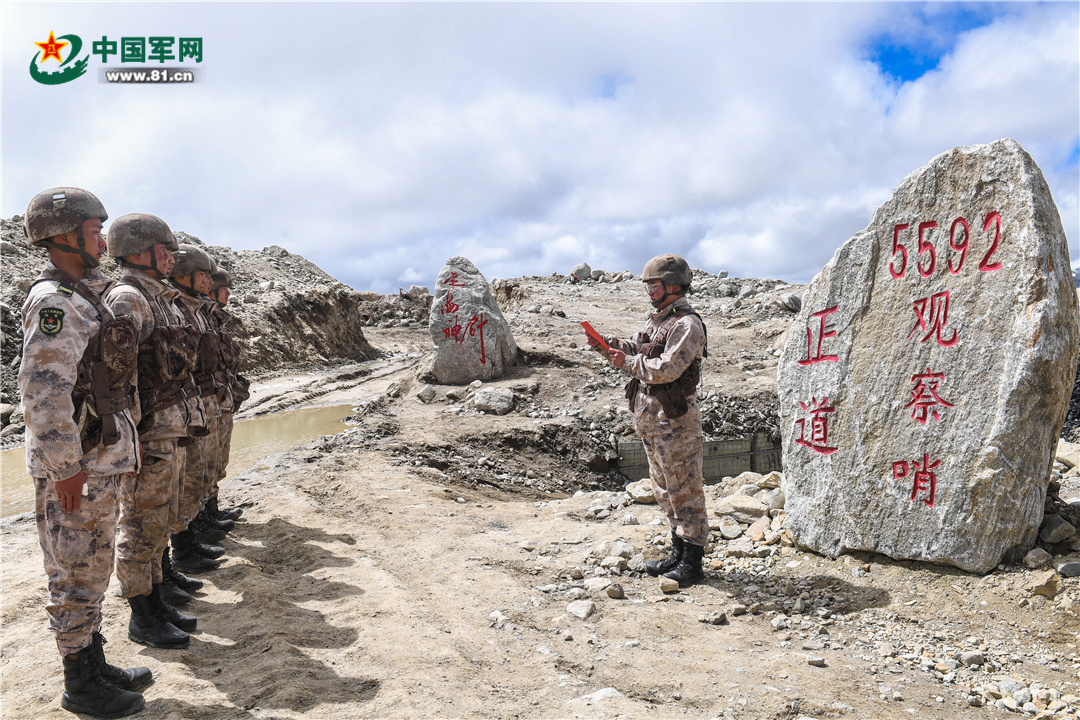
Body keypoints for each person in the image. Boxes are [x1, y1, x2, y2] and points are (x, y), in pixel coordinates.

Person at [19, 187, 150, 717]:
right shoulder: (55, 302)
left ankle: (92, 661)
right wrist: (66, 469)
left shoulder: (82, 295)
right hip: (75, 468)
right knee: (74, 572)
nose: (102, 237)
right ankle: (81, 684)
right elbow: (43, 391)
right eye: (94, 230)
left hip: (94, 460)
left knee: (91, 568)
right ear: (63, 235)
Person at [104, 213, 200, 649]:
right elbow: (117, 376)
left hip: (167, 427)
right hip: (147, 433)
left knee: (159, 518)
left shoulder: (155, 297)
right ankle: (142, 615)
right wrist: (128, 436)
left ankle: (156, 598)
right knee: (141, 524)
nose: (171, 258)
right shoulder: (128, 298)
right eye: (164, 250)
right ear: (139, 251)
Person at [585, 254, 709, 587]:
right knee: (665, 490)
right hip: (653, 422)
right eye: (649, 286)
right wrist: (609, 346)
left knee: (684, 490)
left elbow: (666, 368)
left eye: (654, 285)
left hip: (675, 425)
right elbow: (641, 348)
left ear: (673, 286)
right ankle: (678, 552)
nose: (650, 291)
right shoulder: (659, 321)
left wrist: (625, 362)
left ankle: (693, 562)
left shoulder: (687, 324)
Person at [168, 244, 227, 572]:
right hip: (172, 416)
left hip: (197, 407)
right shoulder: (134, 299)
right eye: (203, 275)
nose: (209, 282)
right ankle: (178, 557)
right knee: (164, 501)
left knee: (199, 476)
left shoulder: (189, 310)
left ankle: (191, 539)